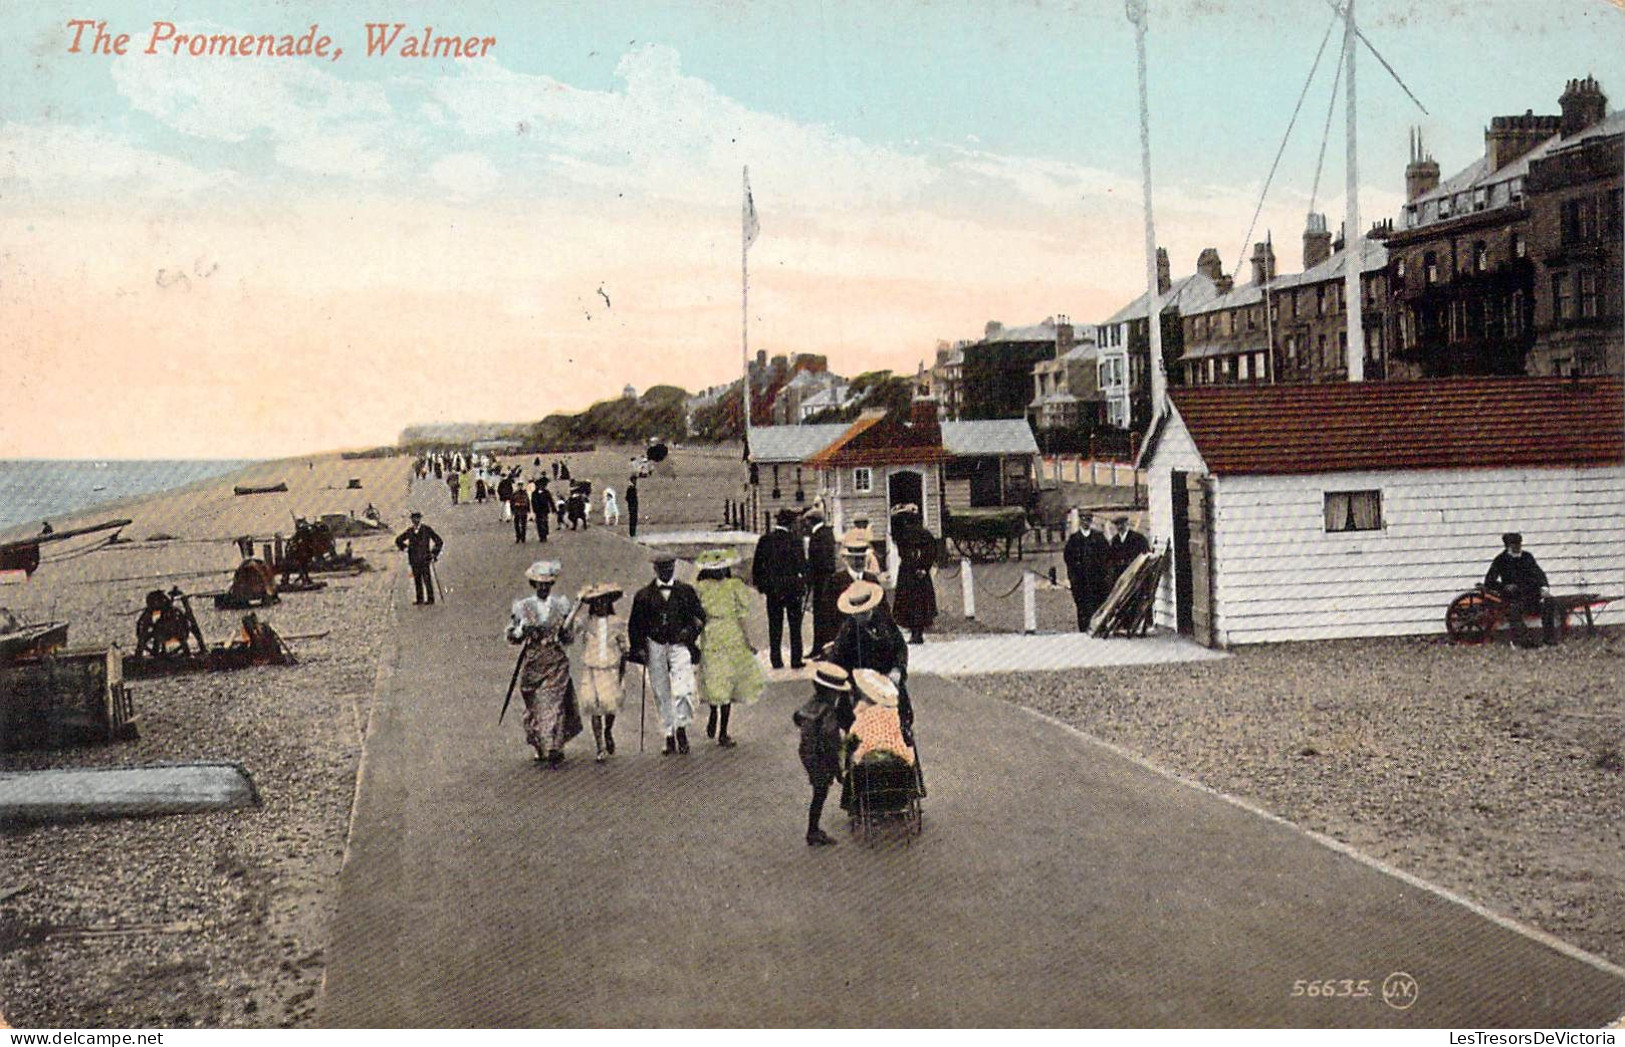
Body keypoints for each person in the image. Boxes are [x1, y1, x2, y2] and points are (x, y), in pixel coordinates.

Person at [627, 552, 708, 755]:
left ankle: (682, 727)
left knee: (684, 689)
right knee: (661, 691)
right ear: (655, 570)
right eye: (662, 568)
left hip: (679, 645)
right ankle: (669, 734)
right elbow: (635, 626)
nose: (666, 572)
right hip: (655, 645)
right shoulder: (643, 595)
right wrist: (639, 648)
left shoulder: (685, 591)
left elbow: (699, 617)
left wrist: (689, 631)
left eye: (670, 568)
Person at [506, 560, 581, 767]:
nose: (543, 587)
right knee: (535, 704)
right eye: (539, 583)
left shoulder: (560, 605)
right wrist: (522, 630)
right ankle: (541, 744)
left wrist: (571, 623)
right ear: (533, 584)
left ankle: (554, 746)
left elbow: (567, 637)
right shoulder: (523, 607)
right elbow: (513, 636)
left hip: (556, 660)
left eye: (547, 583)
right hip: (533, 662)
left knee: (554, 702)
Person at [694, 549, 765, 747]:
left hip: (731, 634)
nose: (719, 572)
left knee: (728, 680)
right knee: (714, 678)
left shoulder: (734, 586)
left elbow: (742, 615)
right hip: (711, 635)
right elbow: (696, 614)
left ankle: (723, 731)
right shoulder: (701, 587)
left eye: (721, 568)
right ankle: (713, 713)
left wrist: (748, 641)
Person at [826, 579, 911, 739]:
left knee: (901, 725)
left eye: (865, 612)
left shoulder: (885, 622)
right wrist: (846, 681)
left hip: (887, 682)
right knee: (854, 728)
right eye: (857, 614)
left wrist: (897, 669)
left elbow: (900, 648)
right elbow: (836, 660)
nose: (861, 616)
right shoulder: (847, 630)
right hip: (858, 689)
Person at [794, 661, 855, 847]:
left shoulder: (813, 703)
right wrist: (837, 771)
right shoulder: (828, 712)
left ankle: (813, 829)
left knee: (818, 791)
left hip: (807, 753)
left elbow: (798, 718)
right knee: (820, 793)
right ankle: (813, 831)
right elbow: (831, 743)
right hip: (819, 756)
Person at [814, 529, 889, 656]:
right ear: (846, 559)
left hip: (869, 641)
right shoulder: (835, 581)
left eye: (861, 559)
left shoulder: (871, 580)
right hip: (843, 642)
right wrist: (828, 641)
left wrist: (883, 635)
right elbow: (826, 615)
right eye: (854, 559)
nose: (858, 562)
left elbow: (883, 610)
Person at [576, 583, 628, 762]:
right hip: (591, 669)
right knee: (594, 707)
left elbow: (624, 647)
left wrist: (624, 664)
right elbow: (566, 630)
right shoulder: (585, 622)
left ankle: (608, 730)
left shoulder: (617, 623)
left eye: (604, 602)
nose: (600, 606)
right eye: (596, 602)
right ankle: (600, 746)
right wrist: (578, 604)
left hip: (610, 669)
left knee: (609, 704)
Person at [752, 508, 808, 669]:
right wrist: (802, 584)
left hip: (773, 591)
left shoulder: (765, 540)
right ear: (790, 524)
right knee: (795, 626)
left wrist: (763, 587)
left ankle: (776, 660)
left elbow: (757, 567)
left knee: (775, 626)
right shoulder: (795, 540)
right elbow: (802, 566)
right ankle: (796, 659)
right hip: (792, 591)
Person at [1485, 532, 1557, 647]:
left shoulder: (1527, 557)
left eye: (1519, 544)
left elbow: (1539, 574)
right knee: (1514, 610)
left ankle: (1549, 639)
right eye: (1514, 545)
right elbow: (1489, 582)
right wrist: (1504, 587)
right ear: (1508, 546)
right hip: (1514, 596)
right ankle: (1525, 641)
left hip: (1532, 594)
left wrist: (1544, 588)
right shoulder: (1501, 560)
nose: (1518, 547)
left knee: (1549, 602)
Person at [888, 505, 937, 645]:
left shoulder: (907, 534)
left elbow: (930, 550)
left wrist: (923, 567)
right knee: (916, 602)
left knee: (915, 602)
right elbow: (932, 550)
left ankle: (916, 634)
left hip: (911, 572)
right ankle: (916, 633)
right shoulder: (910, 534)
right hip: (913, 572)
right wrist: (924, 568)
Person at [1063, 510, 1111, 632]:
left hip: (1097, 581)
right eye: (1084, 520)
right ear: (1080, 521)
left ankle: (1098, 630)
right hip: (1081, 582)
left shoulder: (1099, 538)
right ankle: (1083, 631)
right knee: (1082, 608)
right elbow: (1069, 560)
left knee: (1098, 606)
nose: (1086, 522)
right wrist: (1073, 580)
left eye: (1088, 520)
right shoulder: (1074, 540)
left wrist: (1104, 577)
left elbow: (1107, 558)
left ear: (1091, 521)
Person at [805, 507, 840, 652]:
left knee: (822, 615)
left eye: (807, 521)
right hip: (823, 579)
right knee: (822, 615)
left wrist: (810, 575)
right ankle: (819, 647)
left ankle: (821, 648)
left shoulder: (820, 535)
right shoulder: (825, 533)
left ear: (811, 521)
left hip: (822, 581)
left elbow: (821, 560)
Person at [394, 511, 444, 605]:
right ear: (412, 520)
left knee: (427, 579)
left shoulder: (427, 529)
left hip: (425, 558)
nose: (415, 520)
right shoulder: (409, 531)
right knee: (417, 580)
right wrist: (405, 548)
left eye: (417, 518)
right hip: (414, 559)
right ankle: (419, 599)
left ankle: (430, 599)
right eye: (413, 519)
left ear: (420, 519)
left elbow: (439, 541)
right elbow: (398, 540)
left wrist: (434, 553)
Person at [1107, 515, 1151, 592]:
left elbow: (1145, 555)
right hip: (1120, 574)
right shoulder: (1115, 540)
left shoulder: (1138, 538)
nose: (1120, 527)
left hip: (1134, 573)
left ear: (1127, 524)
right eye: (1117, 524)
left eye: (1122, 524)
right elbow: (1111, 557)